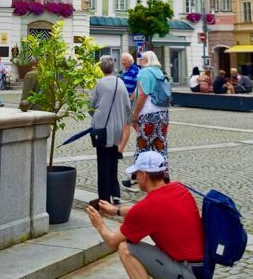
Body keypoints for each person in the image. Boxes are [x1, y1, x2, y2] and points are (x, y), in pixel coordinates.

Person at [85, 151, 205, 279]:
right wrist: (116, 211)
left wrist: (99, 225)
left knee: (125, 248)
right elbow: (147, 212)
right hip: (202, 266)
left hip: (188, 272)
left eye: (135, 174)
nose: (135, 178)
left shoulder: (149, 206)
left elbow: (112, 242)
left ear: (143, 175)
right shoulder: (179, 188)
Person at [91, 56, 132, 205]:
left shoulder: (99, 84)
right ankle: (116, 194)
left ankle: (104, 198)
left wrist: (95, 116)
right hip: (117, 129)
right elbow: (128, 106)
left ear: (101, 69)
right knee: (113, 162)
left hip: (103, 128)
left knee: (102, 163)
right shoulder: (120, 83)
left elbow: (91, 105)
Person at [132, 51, 170, 165]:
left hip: (148, 114)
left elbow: (142, 95)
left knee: (142, 146)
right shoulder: (160, 72)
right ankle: (163, 175)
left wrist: (134, 115)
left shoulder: (144, 72)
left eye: (142, 59)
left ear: (148, 60)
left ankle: (138, 176)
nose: (140, 61)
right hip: (163, 113)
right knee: (160, 146)